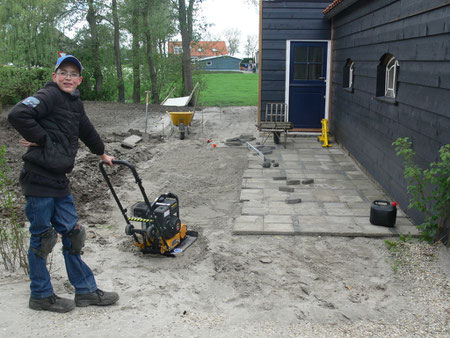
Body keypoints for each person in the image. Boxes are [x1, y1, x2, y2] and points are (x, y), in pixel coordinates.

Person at [8, 55, 119, 313]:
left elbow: (86, 129)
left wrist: (102, 153)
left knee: (73, 235)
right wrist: (43, 139)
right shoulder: (49, 95)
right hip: (38, 179)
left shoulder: (73, 102)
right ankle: (41, 295)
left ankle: (86, 290)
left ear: (79, 80)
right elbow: (18, 114)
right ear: (55, 75)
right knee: (43, 238)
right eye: (63, 72)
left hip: (59, 180)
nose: (68, 78)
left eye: (73, 74)